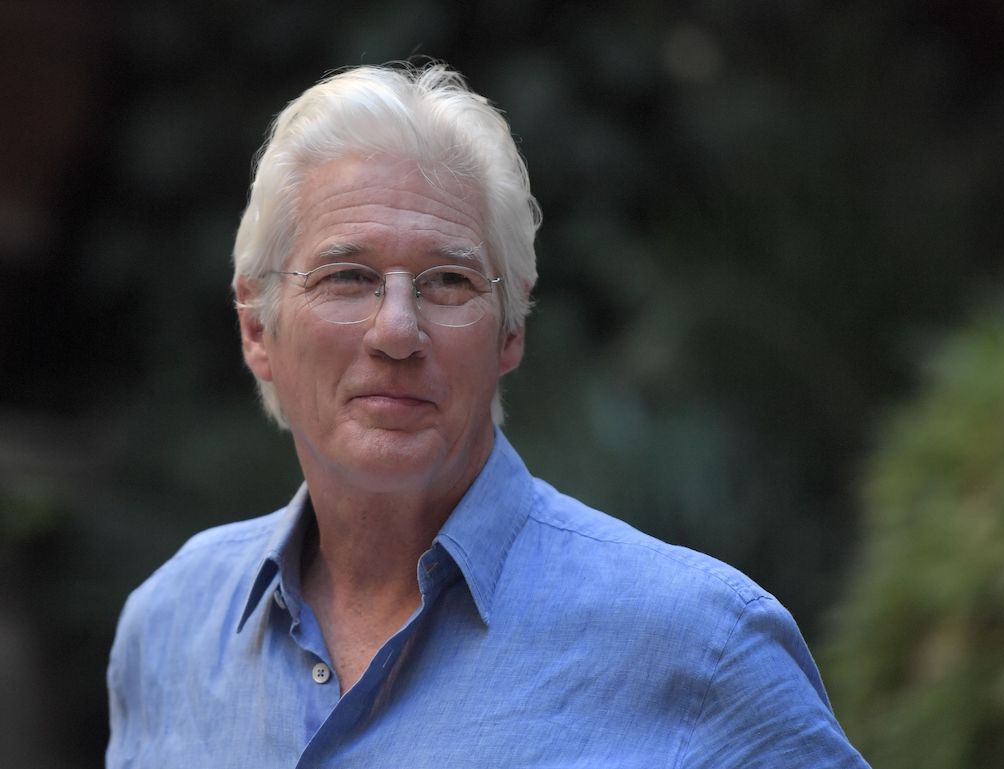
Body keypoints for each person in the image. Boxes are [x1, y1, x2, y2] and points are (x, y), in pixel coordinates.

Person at [106, 61, 869, 768]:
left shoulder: (702, 648)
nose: (397, 329)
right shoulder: (169, 630)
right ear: (255, 329)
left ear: (510, 332)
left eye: (447, 281)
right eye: (347, 276)